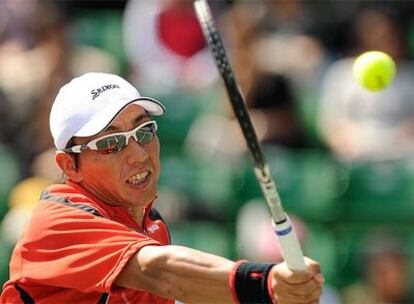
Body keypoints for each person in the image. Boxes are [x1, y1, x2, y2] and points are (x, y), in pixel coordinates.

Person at [0, 72, 323, 303]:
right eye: (111, 143)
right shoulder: (57, 223)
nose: (139, 154)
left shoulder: (150, 225)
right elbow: (159, 271)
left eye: (143, 132)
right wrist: (265, 283)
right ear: (70, 166)